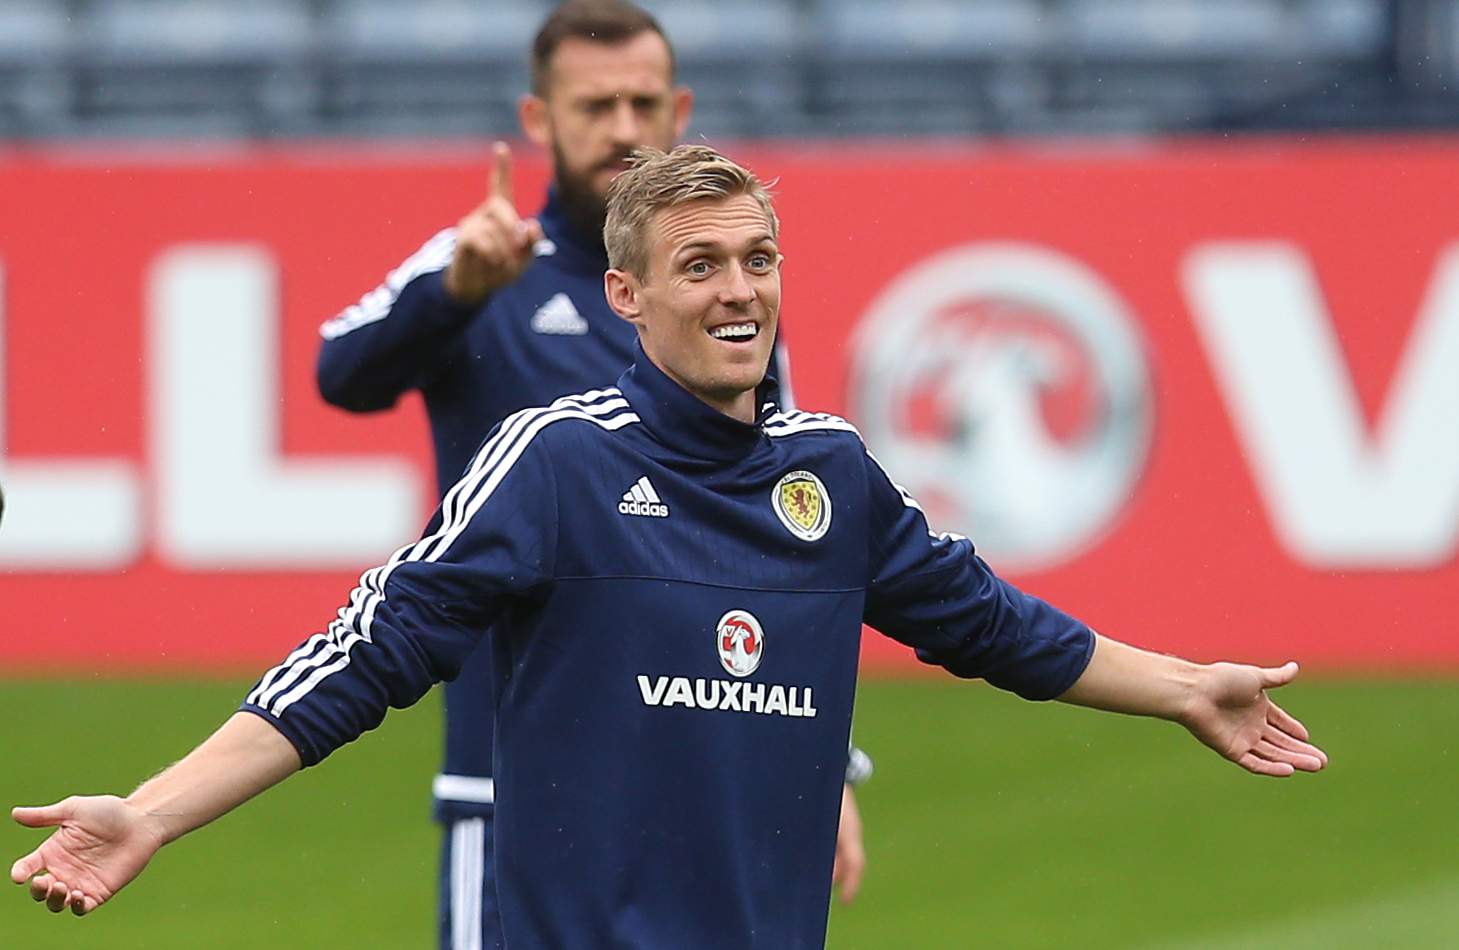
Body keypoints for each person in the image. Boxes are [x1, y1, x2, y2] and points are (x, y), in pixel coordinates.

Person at [10, 145, 1327, 948]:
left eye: (757, 258)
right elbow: (368, 652)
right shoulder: (554, 460)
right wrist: (152, 813)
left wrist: (1182, 687)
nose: (739, 289)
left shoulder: (831, 474)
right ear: (627, 296)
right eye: (699, 265)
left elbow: (988, 624)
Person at [314, 2, 866, 944]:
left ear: (678, 110)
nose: (622, 128)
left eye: (642, 103)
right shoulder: (484, 263)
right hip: (511, 771)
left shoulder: (720, 301)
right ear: (539, 120)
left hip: (700, 769)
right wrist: (453, 293)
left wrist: (826, 759)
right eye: (595, 105)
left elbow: (774, 536)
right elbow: (342, 374)